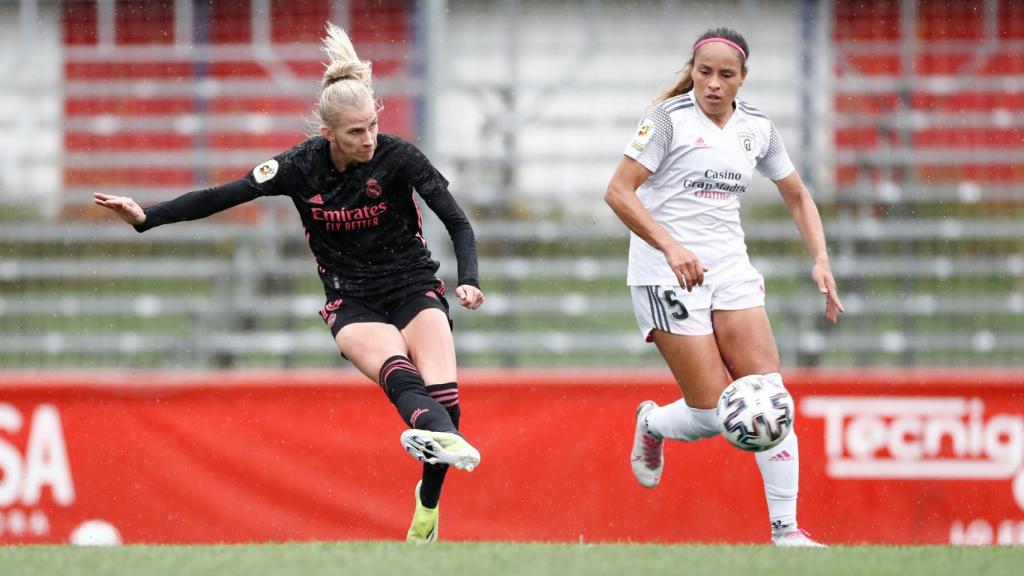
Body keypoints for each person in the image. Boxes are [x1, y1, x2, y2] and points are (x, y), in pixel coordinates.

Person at [94, 22, 484, 544]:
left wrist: (469, 279)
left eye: (372, 125)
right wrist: (148, 217)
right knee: (402, 378)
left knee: (446, 400)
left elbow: (457, 222)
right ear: (328, 134)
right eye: (355, 132)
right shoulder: (299, 167)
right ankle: (443, 437)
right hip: (352, 299)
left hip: (413, 285)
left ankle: (426, 506)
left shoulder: (399, 157)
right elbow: (223, 195)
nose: (368, 138)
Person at [604, 28, 844, 547]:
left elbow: (798, 196)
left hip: (730, 269)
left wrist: (821, 259)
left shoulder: (757, 127)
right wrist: (670, 247)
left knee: (770, 397)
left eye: (725, 75)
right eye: (704, 72)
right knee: (713, 414)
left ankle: (787, 532)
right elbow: (618, 193)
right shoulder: (666, 121)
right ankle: (652, 423)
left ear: (743, 79)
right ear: (692, 70)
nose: (712, 84)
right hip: (665, 273)